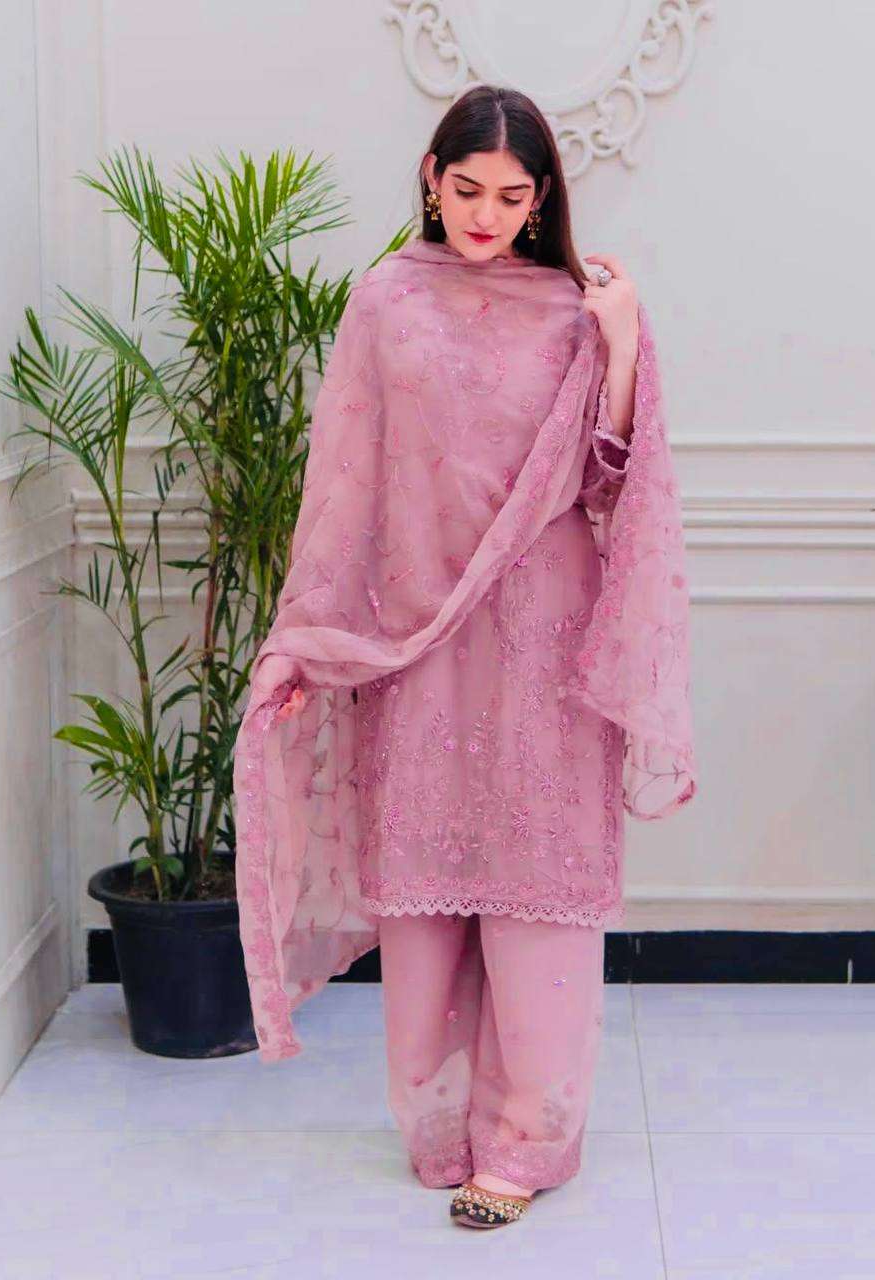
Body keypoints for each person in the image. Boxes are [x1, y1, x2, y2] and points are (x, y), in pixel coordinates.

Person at [231, 83, 696, 1230]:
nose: (487, 214)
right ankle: (439, 1128)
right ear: (432, 181)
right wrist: (310, 632)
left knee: (538, 891)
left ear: (542, 201)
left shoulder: (576, 309)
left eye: (512, 195)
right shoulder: (387, 301)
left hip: (546, 637)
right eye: (468, 188)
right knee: (426, 898)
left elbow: (610, 484)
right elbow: (344, 478)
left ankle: (526, 1142)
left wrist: (622, 343)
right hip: (415, 636)